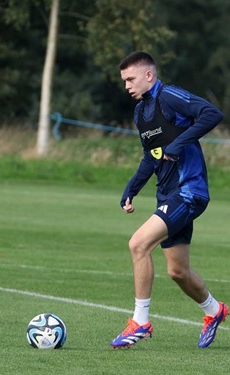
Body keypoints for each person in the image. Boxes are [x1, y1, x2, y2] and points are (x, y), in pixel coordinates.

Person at [110, 51, 227, 349]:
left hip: (189, 190)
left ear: (149, 75)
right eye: (124, 80)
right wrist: (132, 188)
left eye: (130, 79)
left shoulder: (171, 97)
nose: (126, 86)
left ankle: (140, 322)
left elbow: (212, 114)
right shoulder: (140, 113)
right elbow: (152, 156)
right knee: (177, 271)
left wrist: (179, 142)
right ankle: (215, 311)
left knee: (138, 244)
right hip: (168, 194)